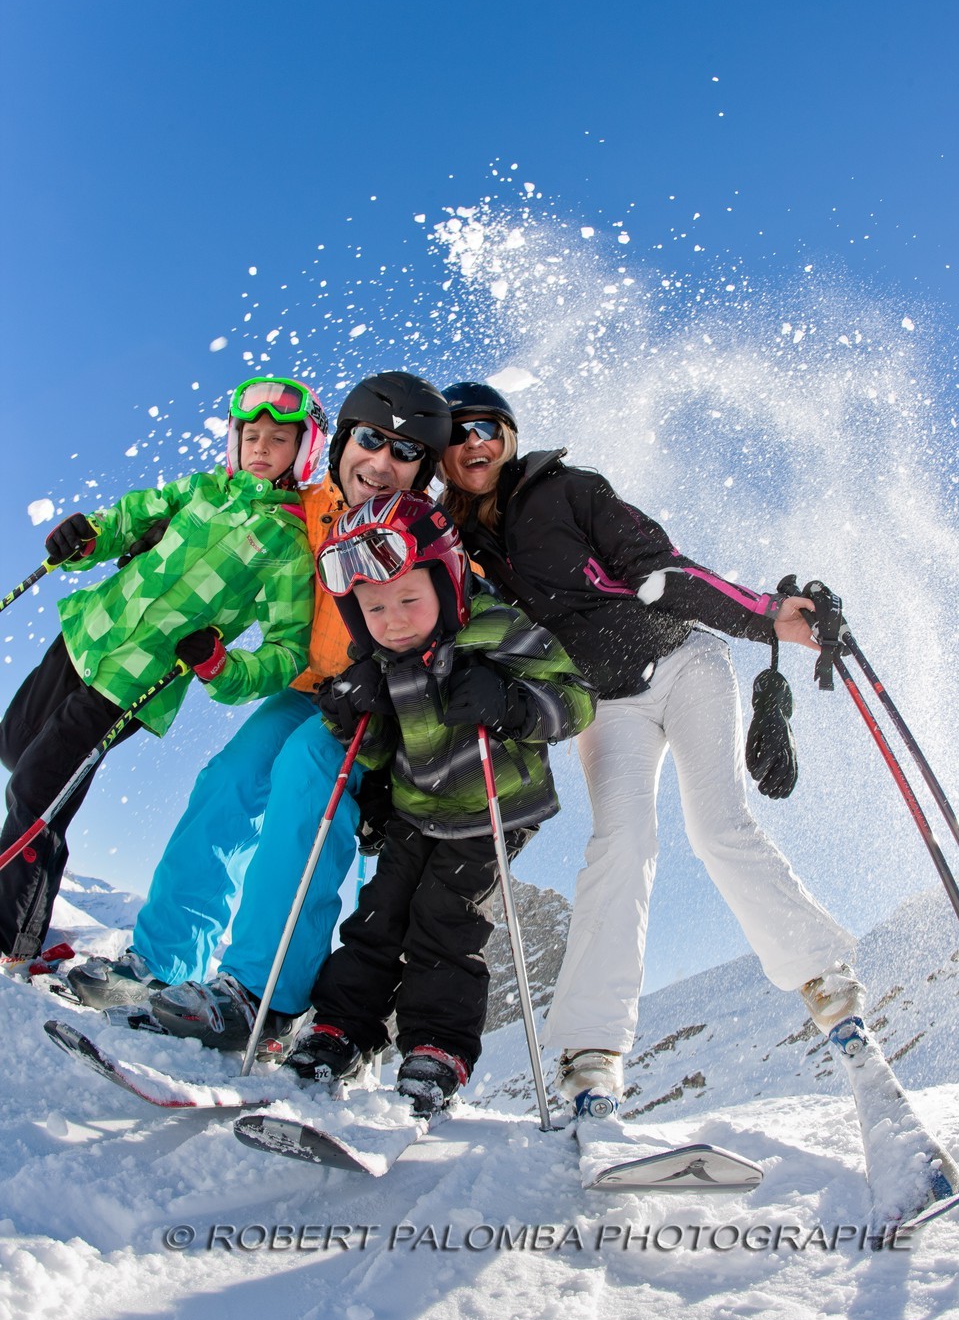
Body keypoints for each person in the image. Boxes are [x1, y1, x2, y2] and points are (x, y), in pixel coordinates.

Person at [437, 381, 864, 1112]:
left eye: (489, 427)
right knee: (621, 844)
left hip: (683, 663)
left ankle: (824, 976)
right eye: (458, 431)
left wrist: (767, 616)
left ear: (508, 438)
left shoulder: (568, 489)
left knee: (717, 825)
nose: (475, 442)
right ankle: (591, 1051)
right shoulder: (455, 543)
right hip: (604, 705)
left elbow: (661, 568)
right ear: (441, 454)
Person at [68, 372, 455, 1055]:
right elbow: (222, 513)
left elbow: (456, 608)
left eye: (405, 453)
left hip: (377, 700)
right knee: (228, 779)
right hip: (308, 687)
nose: (381, 463)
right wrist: (152, 539)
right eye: (370, 441)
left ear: (422, 471)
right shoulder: (302, 505)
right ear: (341, 442)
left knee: (307, 776)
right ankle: (163, 962)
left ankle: (263, 994)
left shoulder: (422, 529)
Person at [280, 489, 595, 1115]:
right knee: (378, 916)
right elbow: (377, 752)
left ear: (447, 584)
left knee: (445, 920)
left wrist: (512, 705)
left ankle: (436, 1048)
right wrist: (351, 716)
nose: (393, 620)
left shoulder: (497, 628)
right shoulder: (379, 662)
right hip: (415, 807)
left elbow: (577, 700)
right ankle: (341, 1029)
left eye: (408, 599)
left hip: (491, 805)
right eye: (373, 608)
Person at [0, 376, 320, 968]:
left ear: (301, 452)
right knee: (16, 750)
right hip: (87, 633)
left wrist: (222, 667)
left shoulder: (286, 542)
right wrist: (87, 537)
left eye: (279, 439)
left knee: (36, 791)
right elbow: (127, 519)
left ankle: (9, 940)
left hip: (132, 681)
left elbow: (287, 651)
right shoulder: (201, 489)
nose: (261, 447)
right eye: (252, 435)